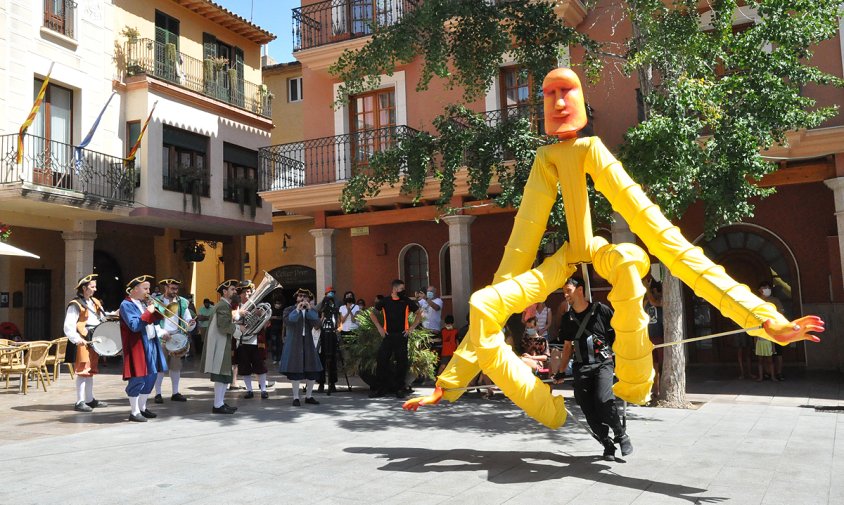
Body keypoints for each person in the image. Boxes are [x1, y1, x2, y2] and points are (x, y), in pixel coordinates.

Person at [556, 276, 631, 460]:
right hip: (581, 368)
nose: (565, 295)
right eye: (564, 291)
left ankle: (620, 434)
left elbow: (619, 336)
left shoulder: (601, 310)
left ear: (580, 290)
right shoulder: (567, 318)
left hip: (603, 364)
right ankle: (607, 443)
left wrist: (627, 358)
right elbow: (567, 347)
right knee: (587, 407)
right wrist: (560, 371)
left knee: (603, 400)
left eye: (568, 291)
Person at [119, 275, 166, 423]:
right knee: (138, 377)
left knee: (151, 376)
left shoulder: (143, 303)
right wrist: (148, 312)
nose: (148, 291)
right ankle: (134, 411)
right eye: (145, 288)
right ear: (134, 289)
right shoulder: (126, 305)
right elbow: (134, 325)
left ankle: (142, 408)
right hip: (137, 346)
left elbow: (156, 320)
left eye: (149, 288)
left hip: (151, 343)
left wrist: (154, 310)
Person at [63, 273, 110, 412]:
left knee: (91, 370)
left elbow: (103, 317)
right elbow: (68, 326)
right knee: (83, 370)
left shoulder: (95, 301)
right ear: (84, 288)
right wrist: (78, 340)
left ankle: (89, 399)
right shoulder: (75, 304)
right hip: (83, 338)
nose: (95, 289)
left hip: (94, 337)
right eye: (92, 286)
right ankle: (80, 401)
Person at [369, 279, 422, 398]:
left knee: (401, 363)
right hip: (388, 336)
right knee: (382, 360)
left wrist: (411, 328)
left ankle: (400, 388)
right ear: (394, 289)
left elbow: (419, 313)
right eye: (401, 289)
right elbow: (372, 314)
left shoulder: (406, 301)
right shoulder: (385, 301)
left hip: (402, 336)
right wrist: (379, 328)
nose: (403, 291)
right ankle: (381, 388)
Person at [201, 279, 241, 414]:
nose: (235, 291)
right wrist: (239, 329)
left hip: (223, 344)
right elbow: (224, 326)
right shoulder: (223, 306)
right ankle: (217, 405)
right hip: (220, 345)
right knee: (220, 374)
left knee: (225, 374)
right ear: (224, 292)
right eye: (232, 289)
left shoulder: (224, 305)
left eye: (235, 289)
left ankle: (220, 403)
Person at [152, 278, 194, 404]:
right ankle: (158, 394)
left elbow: (187, 319)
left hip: (176, 337)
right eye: (172, 288)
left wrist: (191, 324)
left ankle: (175, 392)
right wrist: (161, 332)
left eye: (176, 289)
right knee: (160, 368)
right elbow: (152, 321)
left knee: (176, 367)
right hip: (162, 337)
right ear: (166, 288)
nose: (175, 291)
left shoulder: (182, 302)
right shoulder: (156, 302)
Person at [279, 288, 322, 406]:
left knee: (312, 369)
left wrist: (309, 310)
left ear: (309, 299)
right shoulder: (289, 310)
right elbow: (289, 321)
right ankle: (296, 397)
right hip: (294, 343)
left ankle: (309, 396)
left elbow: (317, 324)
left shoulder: (311, 311)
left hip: (308, 342)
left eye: (305, 296)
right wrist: (297, 310)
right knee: (295, 370)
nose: (302, 298)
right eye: (300, 296)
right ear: (296, 298)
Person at [234, 280, 271, 399]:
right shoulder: (237, 307)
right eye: (244, 292)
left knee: (260, 365)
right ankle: (249, 390)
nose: (247, 295)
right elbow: (232, 321)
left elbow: (266, 322)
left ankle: (263, 390)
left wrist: (259, 315)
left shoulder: (258, 306)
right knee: (244, 367)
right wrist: (239, 319)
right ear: (240, 294)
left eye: (249, 292)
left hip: (256, 340)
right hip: (242, 341)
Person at [758, 281, 786, 381]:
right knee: (764, 354)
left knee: (778, 353)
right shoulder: (756, 301)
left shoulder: (775, 300)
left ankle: (778, 373)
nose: (767, 289)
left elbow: (781, 312)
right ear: (760, 290)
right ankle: (767, 373)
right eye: (765, 287)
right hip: (762, 332)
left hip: (776, 329)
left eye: (768, 287)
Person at [316, 286, 341, 394]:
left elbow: (339, 319)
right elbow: (316, 312)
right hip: (322, 334)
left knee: (333, 359)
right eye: (329, 293)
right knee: (321, 359)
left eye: (332, 293)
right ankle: (321, 383)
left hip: (332, 334)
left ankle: (332, 383)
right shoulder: (321, 305)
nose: (331, 295)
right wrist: (323, 307)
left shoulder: (336, 305)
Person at [644, 277, 664, 399]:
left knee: (662, 364)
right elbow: (647, 303)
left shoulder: (661, 300)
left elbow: (654, 302)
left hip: (660, 336)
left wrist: (647, 289)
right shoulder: (646, 301)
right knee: (653, 365)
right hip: (649, 336)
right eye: (658, 291)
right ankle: (655, 390)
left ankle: (661, 389)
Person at [269, 297, 286, 364]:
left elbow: (283, 318)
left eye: (279, 304)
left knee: (280, 345)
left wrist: (275, 317)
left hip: (281, 330)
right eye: (277, 303)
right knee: (274, 345)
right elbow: (269, 318)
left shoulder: (283, 310)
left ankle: (280, 359)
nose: (278, 305)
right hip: (273, 330)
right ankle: (275, 359)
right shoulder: (272, 310)